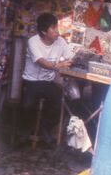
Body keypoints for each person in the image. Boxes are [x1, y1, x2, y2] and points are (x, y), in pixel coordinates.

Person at [21, 13, 75, 141]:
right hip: (31, 81)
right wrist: (58, 66)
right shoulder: (33, 41)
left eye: (57, 27)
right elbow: (41, 61)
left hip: (48, 82)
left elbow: (70, 57)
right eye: (53, 28)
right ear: (44, 31)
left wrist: (71, 60)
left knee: (59, 102)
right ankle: (24, 131)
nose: (57, 31)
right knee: (27, 106)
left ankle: (45, 126)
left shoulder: (60, 41)